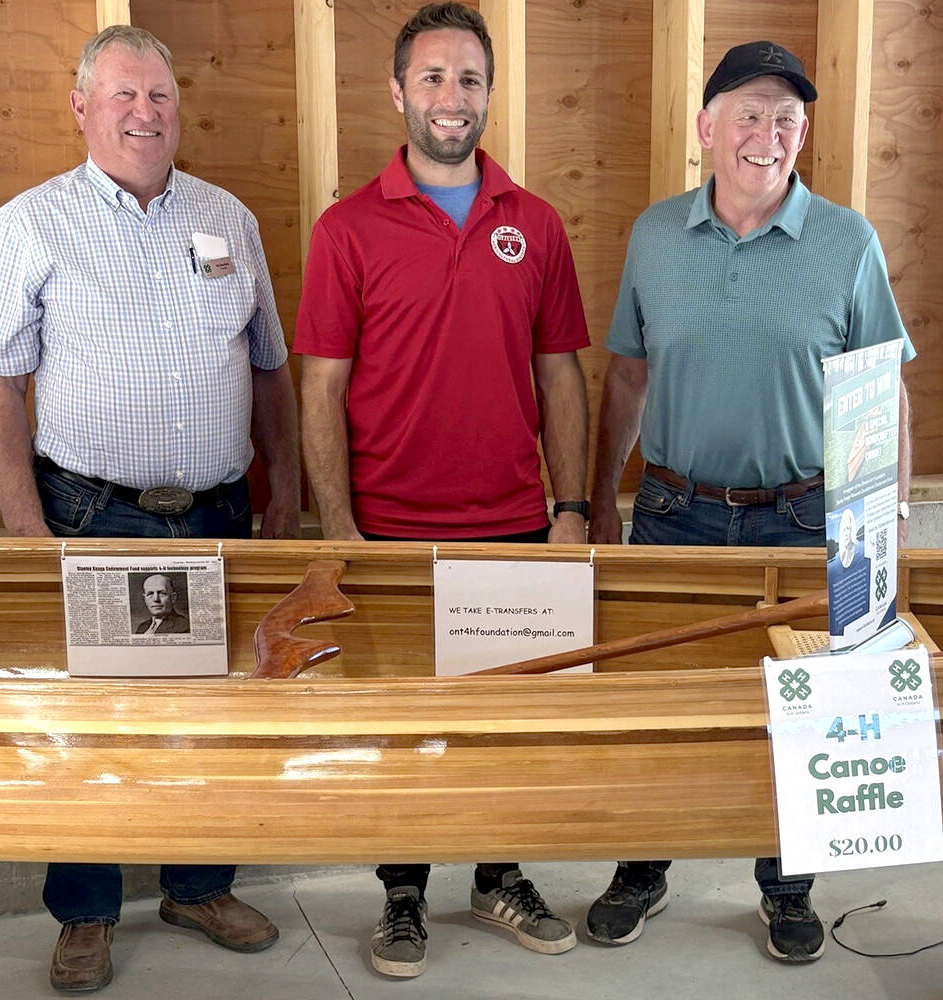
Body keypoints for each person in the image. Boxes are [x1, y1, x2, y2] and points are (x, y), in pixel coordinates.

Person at [0, 25, 300, 993]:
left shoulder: (226, 218)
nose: (144, 114)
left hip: (217, 516)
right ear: (81, 106)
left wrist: (282, 498)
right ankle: (85, 911)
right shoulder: (30, 224)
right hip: (87, 516)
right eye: (123, 96)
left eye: (158, 96)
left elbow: (269, 366)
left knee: (210, 716)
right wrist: (27, 531)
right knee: (94, 724)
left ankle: (197, 885)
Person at [585, 40, 916, 963]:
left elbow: (883, 385)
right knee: (663, 706)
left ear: (802, 132)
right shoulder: (655, 235)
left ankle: (787, 886)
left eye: (786, 118)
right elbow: (625, 374)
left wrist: (886, 519)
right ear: (707, 127)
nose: (766, 135)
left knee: (806, 713)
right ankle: (643, 868)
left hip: (809, 519)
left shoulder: (848, 241)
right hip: (672, 513)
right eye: (748, 113)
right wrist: (598, 496)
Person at [294, 2, 589, 980]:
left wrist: (570, 508)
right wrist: (338, 528)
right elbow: (321, 386)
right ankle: (402, 890)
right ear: (396, 92)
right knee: (403, 730)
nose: (449, 97)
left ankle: (497, 873)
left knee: (505, 725)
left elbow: (560, 374)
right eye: (431, 77)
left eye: (467, 79)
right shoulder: (346, 228)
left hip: (510, 527)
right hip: (387, 532)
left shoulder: (534, 223)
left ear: (488, 94)